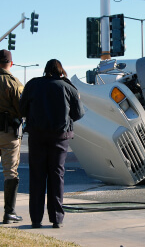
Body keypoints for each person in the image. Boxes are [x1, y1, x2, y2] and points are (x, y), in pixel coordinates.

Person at [19, 59, 84, 229]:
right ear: (61, 71)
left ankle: (35, 219)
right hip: (60, 138)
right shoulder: (68, 87)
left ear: (45, 70)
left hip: (37, 136)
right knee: (57, 176)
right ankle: (56, 218)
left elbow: (22, 108)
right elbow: (79, 113)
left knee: (37, 176)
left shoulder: (33, 85)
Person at [0, 49, 24, 224]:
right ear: (11, 63)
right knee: (10, 171)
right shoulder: (13, 82)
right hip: (8, 131)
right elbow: (22, 108)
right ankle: (9, 212)